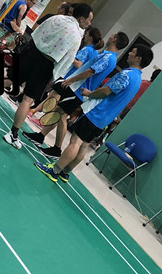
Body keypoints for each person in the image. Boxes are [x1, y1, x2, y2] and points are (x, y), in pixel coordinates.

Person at [0, 3, 93, 144]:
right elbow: (67, 59)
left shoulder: (56, 18)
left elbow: (36, 33)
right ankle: (12, 134)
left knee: (8, 79)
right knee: (27, 100)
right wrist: (55, 77)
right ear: (81, 19)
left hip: (31, 53)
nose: (89, 23)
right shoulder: (76, 36)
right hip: (46, 65)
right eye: (89, 20)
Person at [34, 43, 154, 183]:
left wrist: (89, 93)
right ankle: (65, 172)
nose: (129, 53)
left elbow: (106, 91)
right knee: (83, 145)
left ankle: (54, 170)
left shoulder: (127, 75)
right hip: (104, 120)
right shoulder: (138, 79)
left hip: (96, 113)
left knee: (75, 142)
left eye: (132, 52)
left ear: (138, 58)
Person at [25, 30, 129, 156]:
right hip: (76, 88)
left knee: (62, 116)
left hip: (78, 89)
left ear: (114, 39)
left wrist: (71, 80)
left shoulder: (108, 58)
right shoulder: (107, 55)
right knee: (58, 112)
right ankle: (40, 136)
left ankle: (56, 149)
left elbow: (90, 71)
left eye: (112, 35)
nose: (110, 36)